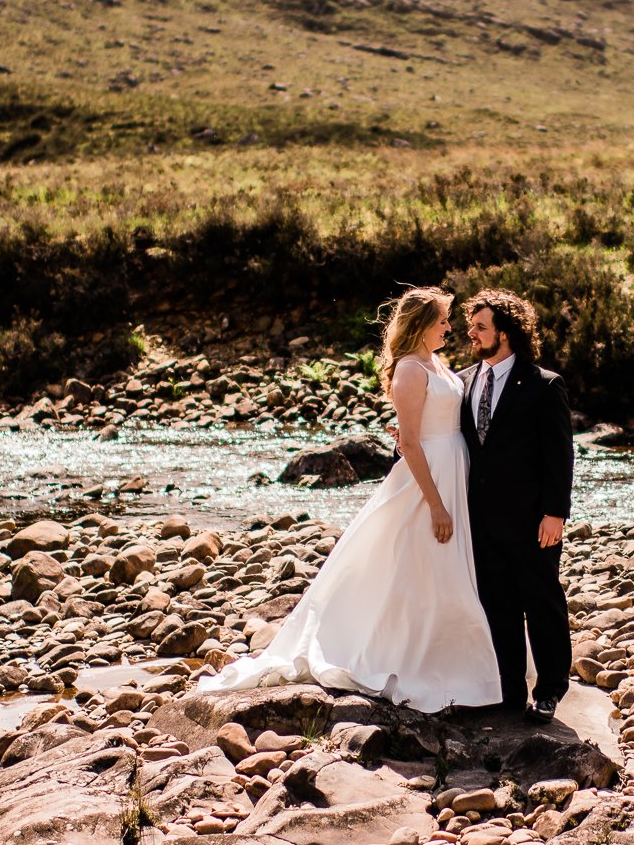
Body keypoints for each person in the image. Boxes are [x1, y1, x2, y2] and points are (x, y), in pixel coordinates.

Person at [197, 287, 503, 712]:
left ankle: (456, 663)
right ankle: (421, 663)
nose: (449, 328)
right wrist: (435, 503)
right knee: (423, 569)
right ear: (420, 324)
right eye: (442, 321)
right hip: (428, 478)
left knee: (438, 571)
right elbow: (411, 444)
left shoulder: (436, 363)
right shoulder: (410, 370)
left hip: (453, 467)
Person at [457, 289, 575, 720]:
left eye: (480, 326)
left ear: (505, 333)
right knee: (499, 608)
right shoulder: (464, 380)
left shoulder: (545, 385)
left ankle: (550, 689)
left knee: (542, 603)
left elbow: (559, 454)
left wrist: (555, 512)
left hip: (531, 521)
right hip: (482, 521)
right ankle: (509, 692)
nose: (470, 333)